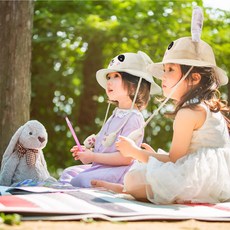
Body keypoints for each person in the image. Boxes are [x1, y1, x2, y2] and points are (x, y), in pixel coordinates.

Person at [91, 37, 230, 204]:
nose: (163, 76)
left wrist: (135, 152)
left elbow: (175, 161)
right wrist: (151, 156)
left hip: (200, 178)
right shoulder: (203, 107)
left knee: (133, 179)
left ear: (194, 78)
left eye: (170, 70)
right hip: (215, 177)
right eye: (164, 70)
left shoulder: (188, 112)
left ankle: (126, 189)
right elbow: (183, 156)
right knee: (143, 170)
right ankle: (126, 189)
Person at [59, 51, 161, 188]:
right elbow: (105, 147)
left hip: (119, 172)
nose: (109, 81)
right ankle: (64, 196)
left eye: (116, 76)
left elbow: (125, 158)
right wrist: (88, 153)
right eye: (108, 77)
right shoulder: (116, 113)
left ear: (134, 85)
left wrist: (93, 157)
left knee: (81, 180)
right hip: (101, 167)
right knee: (69, 173)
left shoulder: (134, 118)